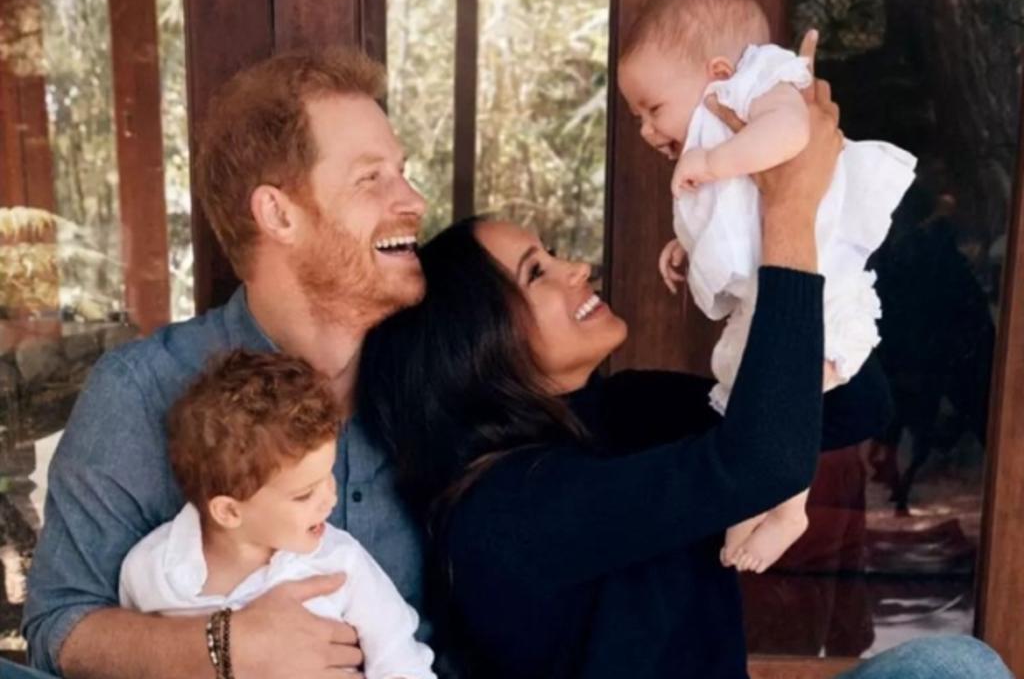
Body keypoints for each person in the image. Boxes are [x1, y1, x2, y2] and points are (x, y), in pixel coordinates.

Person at [356, 75, 1011, 678]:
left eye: (552, 254)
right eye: (538, 272)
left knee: (953, 667)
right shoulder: (505, 511)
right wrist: (787, 216)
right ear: (474, 347)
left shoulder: (627, 409)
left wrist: (774, 231)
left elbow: (853, 407)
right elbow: (762, 464)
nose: (575, 268)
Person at [22, 47, 428, 679]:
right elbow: (58, 627)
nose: (413, 200)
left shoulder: (432, 379)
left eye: (402, 172)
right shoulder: (142, 391)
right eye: (371, 178)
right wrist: (224, 648)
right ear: (277, 214)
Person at [616, 0, 916, 572]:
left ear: (720, 71)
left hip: (821, 285)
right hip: (775, 288)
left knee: (787, 393)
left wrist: (712, 160)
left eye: (654, 109)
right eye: (637, 119)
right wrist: (686, 244)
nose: (648, 131)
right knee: (746, 390)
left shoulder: (764, 85)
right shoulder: (722, 130)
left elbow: (792, 136)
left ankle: (788, 509)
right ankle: (756, 500)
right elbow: (740, 215)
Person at [118, 350, 436, 679]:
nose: (330, 499)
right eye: (304, 494)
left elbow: (401, 662)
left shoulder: (340, 564)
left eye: (329, 476)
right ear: (228, 511)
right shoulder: (150, 570)